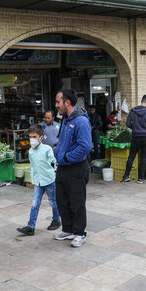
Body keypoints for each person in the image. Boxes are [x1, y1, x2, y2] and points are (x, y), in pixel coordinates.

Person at [53, 88, 91, 248]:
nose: (56, 105)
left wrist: (67, 157)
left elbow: (85, 146)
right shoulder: (66, 119)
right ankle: (68, 229)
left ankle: (80, 233)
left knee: (77, 202)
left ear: (67, 102)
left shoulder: (81, 121)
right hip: (62, 168)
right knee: (62, 200)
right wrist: (57, 150)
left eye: (58, 102)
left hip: (76, 168)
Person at [16, 124, 61, 236]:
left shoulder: (47, 149)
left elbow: (54, 161)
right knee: (35, 204)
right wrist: (32, 179)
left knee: (53, 202)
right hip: (37, 182)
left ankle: (56, 220)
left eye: (34, 136)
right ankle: (31, 227)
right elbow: (33, 166)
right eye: (30, 137)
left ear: (41, 137)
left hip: (49, 180)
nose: (32, 139)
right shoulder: (31, 151)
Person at [122, 95, 146, 184]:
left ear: (141, 101)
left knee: (131, 156)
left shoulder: (133, 111)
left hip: (135, 136)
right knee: (144, 157)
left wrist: (135, 128)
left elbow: (127, 124)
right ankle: (141, 178)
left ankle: (126, 176)